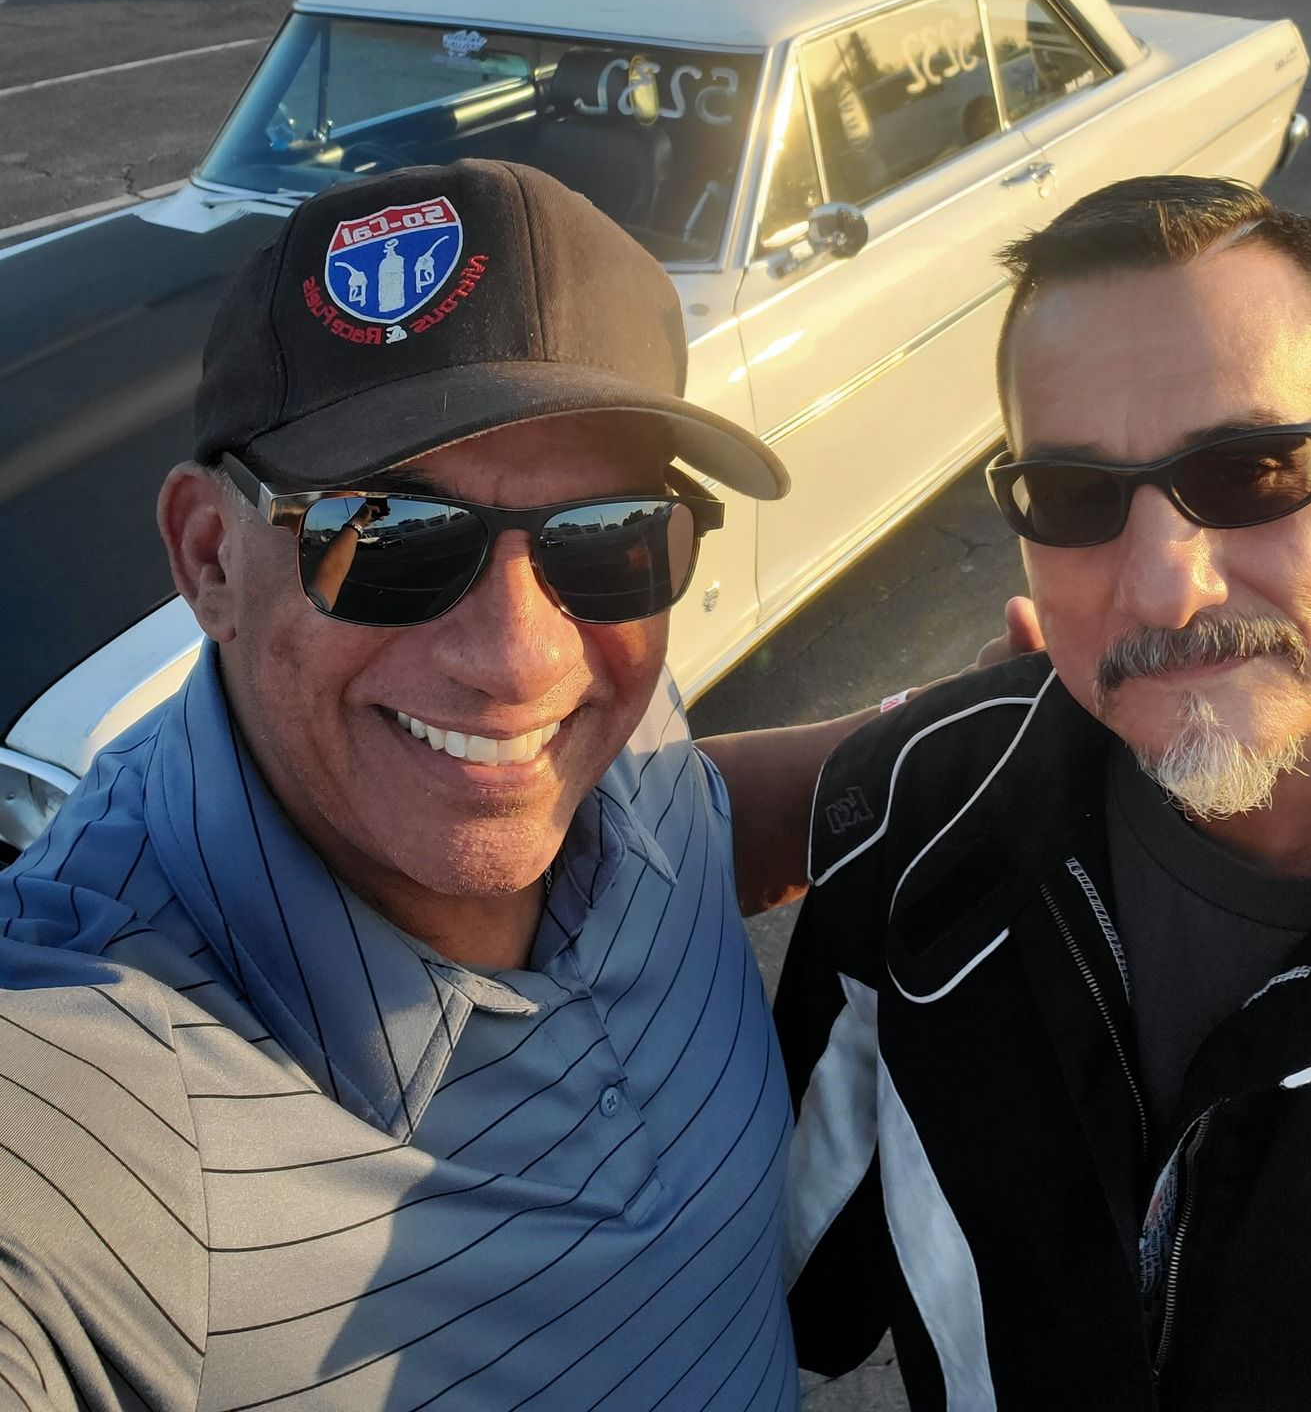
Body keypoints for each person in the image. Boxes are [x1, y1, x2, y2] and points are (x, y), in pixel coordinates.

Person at [0, 157, 856, 1411]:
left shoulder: (610, 725)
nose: (521, 656)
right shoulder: (95, 1096)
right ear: (207, 558)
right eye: (387, 536)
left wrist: (1009, 727)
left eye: (611, 533)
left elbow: (691, 807)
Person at [776, 174, 1311, 1410]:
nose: (1164, 588)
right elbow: (778, 1289)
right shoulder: (913, 821)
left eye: (1251, 470)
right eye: (1074, 496)